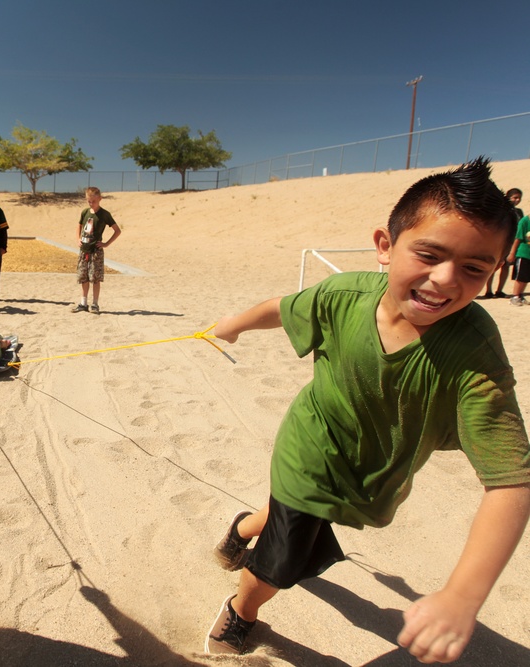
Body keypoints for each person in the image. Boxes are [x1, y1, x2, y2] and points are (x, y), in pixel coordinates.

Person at [204, 158, 530, 663]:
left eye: (473, 268)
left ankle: (240, 527)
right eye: (429, 254)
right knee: (282, 557)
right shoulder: (344, 295)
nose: (444, 280)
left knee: (291, 516)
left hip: (370, 472)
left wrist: (464, 595)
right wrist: (234, 323)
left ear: (496, 270)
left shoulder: (475, 353)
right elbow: (286, 305)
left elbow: (511, 481)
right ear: (385, 245)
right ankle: (242, 612)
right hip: (310, 442)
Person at [72, 186, 121, 314]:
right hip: (84, 250)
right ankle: (83, 303)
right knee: (83, 277)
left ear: (100, 199)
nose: (91, 203)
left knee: (95, 277)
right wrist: (78, 239)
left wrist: (106, 244)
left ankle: (95, 304)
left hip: (96, 251)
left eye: (93, 201)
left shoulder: (105, 214)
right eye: (89, 201)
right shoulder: (85, 212)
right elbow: (79, 226)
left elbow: (117, 230)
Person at [482, 188, 522, 298]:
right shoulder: (499, 210)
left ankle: (499, 290)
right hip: (497, 243)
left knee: (506, 267)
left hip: (511, 243)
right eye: (515, 197)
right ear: (508, 197)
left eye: (519, 198)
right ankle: (488, 291)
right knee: (493, 267)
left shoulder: (519, 212)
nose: (517, 200)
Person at [506, 204, 530, 307]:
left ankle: (520, 295)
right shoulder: (525, 221)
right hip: (523, 253)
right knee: (520, 277)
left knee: (526, 277)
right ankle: (515, 296)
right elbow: (518, 238)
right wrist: (512, 253)